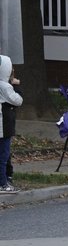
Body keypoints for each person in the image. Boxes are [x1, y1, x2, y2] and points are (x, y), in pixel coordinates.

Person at [0, 55, 23, 193]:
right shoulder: (5, 86)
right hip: (3, 126)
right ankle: (3, 183)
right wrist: (16, 86)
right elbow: (18, 100)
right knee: (3, 155)